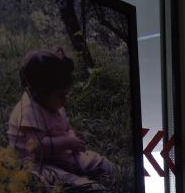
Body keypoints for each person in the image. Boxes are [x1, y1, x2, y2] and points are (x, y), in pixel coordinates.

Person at [7, 48, 116, 182]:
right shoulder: (29, 110)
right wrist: (68, 142)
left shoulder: (52, 103)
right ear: (40, 92)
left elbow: (66, 127)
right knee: (71, 181)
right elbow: (35, 147)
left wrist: (71, 137)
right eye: (60, 95)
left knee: (97, 161)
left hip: (60, 155)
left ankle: (121, 173)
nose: (65, 100)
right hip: (36, 163)